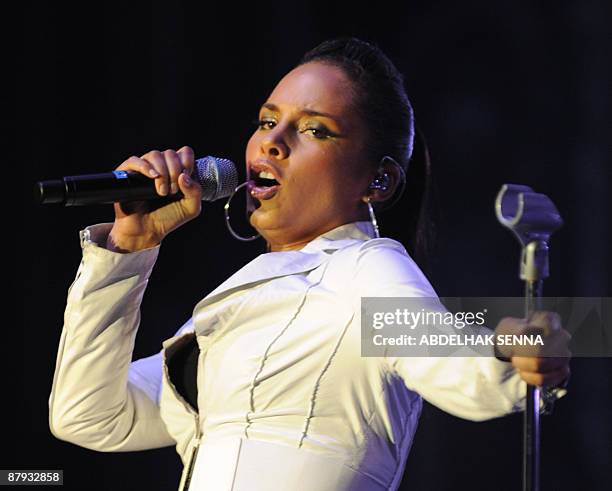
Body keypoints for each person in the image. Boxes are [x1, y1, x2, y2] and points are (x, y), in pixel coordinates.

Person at [48, 38, 570, 490]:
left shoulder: (365, 271)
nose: (272, 141)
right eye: (268, 121)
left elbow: (448, 353)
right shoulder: (235, 314)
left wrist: (518, 344)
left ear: (378, 181)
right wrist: (127, 249)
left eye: (315, 130)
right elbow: (88, 415)